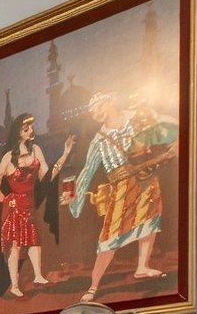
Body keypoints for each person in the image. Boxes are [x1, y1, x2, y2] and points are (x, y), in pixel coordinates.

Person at [66, 91, 179, 302]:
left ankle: (142, 267)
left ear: (110, 102)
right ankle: (94, 286)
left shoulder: (137, 116)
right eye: (92, 112)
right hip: (120, 187)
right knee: (110, 235)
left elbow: (164, 124)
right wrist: (74, 196)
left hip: (145, 178)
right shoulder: (99, 140)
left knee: (150, 221)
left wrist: (177, 140)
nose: (95, 114)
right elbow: (87, 171)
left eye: (98, 108)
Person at [0, 114, 75, 299]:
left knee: (33, 240)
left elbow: (48, 175)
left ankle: (38, 276)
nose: (31, 131)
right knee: (15, 245)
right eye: (26, 129)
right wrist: (2, 198)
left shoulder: (36, 150)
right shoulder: (8, 157)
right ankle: (14, 285)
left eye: (31, 127)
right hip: (14, 206)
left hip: (28, 205)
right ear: (18, 133)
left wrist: (65, 154)